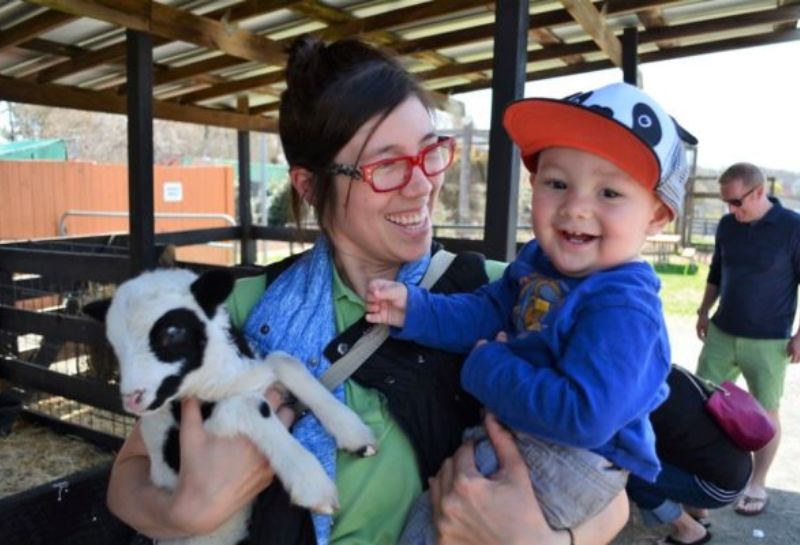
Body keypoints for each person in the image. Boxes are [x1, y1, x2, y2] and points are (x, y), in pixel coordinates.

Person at [105, 36, 628, 545]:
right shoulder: (241, 311)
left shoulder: (509, 294)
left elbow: (613, 483)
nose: (422, 184)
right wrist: (186, 511)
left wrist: (545, 540)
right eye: (387, 166)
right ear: (310, 185)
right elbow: (128, 471)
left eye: (430, 152)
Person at [366, 82, 697, 542]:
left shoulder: (623, 306)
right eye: (557, 183)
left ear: (657, 215)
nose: (576, 207)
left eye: (610, 193)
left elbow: (584, 416)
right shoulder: (540, 264)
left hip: (568, 458)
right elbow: (488, 312)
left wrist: (486, 367)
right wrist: (417, 310)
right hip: (528, 436)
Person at [695, 161, 800, 516]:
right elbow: (716, 270)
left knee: (764, 414)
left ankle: (757, 483)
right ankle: (706, 479)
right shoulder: (727, 226)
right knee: (704, 404)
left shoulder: (793, 227)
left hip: (770, 340)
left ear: (758, 192)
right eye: (727, 203)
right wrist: (703, 310)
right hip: (722, 332)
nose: (731, 210)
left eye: (737, 202)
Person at [626, 365, 753, 545]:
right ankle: (697, 510)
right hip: (739, 464)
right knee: (686, 444)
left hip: (720, 487)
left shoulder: (645, 399)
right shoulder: (672, 371)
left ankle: (689, 530)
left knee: (635, 475)